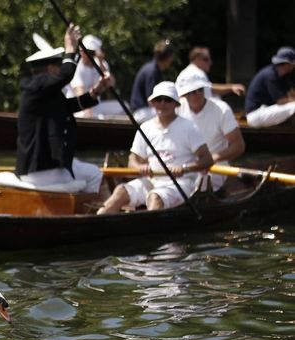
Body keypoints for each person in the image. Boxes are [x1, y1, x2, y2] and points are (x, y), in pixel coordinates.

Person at [15, 24, 111, 194]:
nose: (61, 70)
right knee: (95, 175)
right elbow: (67, 74)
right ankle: (90, 214)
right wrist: (70, 48)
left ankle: (86, 210)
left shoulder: (44, 93)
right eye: (59, 66)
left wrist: (96, 91)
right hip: (43, 169)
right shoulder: (37, 86)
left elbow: (70, 106)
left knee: (91, 172)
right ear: (52, 69)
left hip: (47, 166)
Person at [97, 81, 213, 214]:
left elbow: (207, 160)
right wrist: (139, 167)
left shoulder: (189, 127)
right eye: (158, 100)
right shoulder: (145, 128)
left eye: (167, 100)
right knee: (120, 191)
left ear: (176, 104)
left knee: (155, 197)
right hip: (152, 180)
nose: (162, 104)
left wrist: (184, 168)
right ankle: (99, 220)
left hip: (182, 182)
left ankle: (146, 228)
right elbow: (132, 160)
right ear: (152, 103)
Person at [176, 73, 245, 192]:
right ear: (184, 95)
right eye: (192, 92)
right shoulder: (177, 109)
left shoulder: (221, 109)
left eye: (200, 89)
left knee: (193, 186)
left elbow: (238, 146)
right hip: (183, 166)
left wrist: (210, 159)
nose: (198, 94)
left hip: (214, 167)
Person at [68, 35, 124, 118]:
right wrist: (89, 113)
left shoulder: (101, 64)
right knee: (85, 115)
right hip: (78, 106)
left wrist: (101, 62)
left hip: (96, 105)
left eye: (90, 52)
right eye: (84, 51)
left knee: (121, 107)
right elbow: (80, 93)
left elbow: (111, 84)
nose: (85, 54)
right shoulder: (77, 66)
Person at [244, 46, 295, 128]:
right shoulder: (270, 75)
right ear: (288, 64)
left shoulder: (282, 76)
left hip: (266, 111)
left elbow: (292, 95)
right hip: (256, 115)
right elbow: (281, 101)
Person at [130, 40, 174, 122]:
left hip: (144, 111)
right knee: (171, 114)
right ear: (169, 58)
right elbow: (151, 100)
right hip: (141, 112)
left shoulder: (154, 69)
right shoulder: (152, 71)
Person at [177, 46, 245, 99]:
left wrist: (231, 87)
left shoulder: (192, 72)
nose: (210, 63)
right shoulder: (194, 73)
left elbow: (208, 88)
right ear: (196, 59)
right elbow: (209, 89)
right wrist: (231, 87)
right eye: (206, 59)